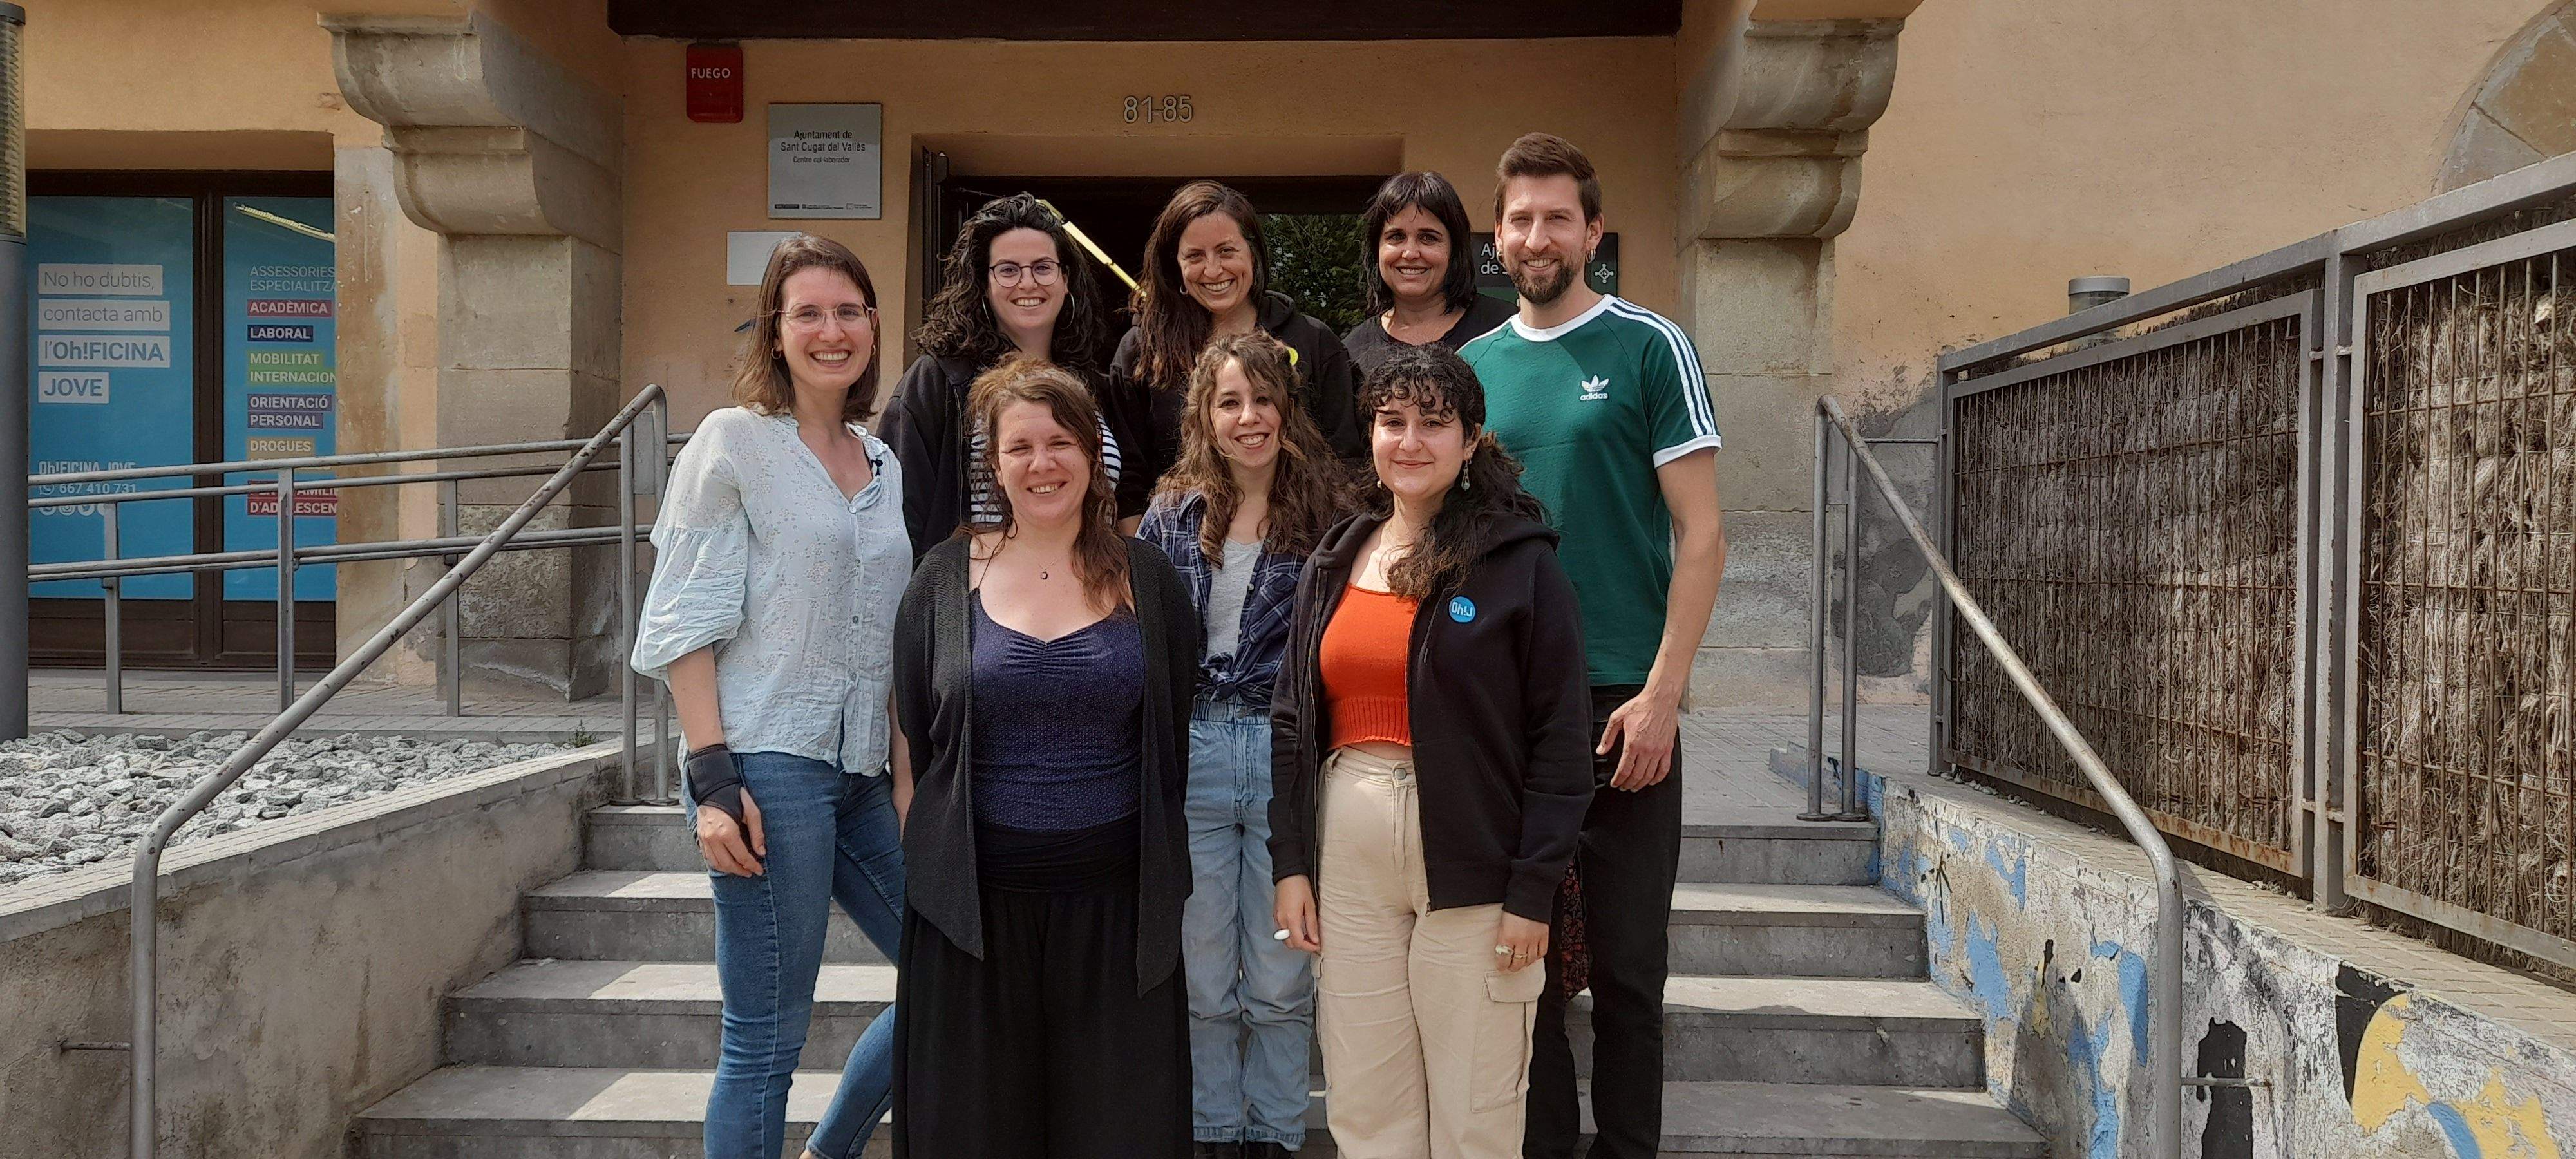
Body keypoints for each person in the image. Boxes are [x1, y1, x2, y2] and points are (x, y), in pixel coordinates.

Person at [1457, 132, 1727, 1159]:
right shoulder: (1472, 369)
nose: (1537, 235)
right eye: (1519, 218)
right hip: (1508, 708)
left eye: (1557, 217)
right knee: (1518, 972)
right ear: (1498, 234)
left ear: (1593, 230)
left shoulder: (1650, 346)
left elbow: (1701, 534)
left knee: (1624, 970)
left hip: (1624, 703)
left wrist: (1664, 696)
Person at [1269, 344, 1595, 1159]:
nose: (1409, 441)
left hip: (1476, 855)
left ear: (1472, 439)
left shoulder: (1521, 563)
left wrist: (1532, 890)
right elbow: (1290, 719)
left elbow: (1560, 740)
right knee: (1366, 1105)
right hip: (1348, 842)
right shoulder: (1336, 557)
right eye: (1391, 422)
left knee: (1476, 1115)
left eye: (1432, 423)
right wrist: (1290, 864)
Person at [630, 234, 907, 1159]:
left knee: (959, 972)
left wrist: (906, 777)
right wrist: (712, 782)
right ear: (777, 332)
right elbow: (683, 619)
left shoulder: (884, 463)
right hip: (763, 766)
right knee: (767, 1037)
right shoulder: (735, 441)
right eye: (809, 314)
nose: (832, 331)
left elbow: (891, 632)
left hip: (862, 771)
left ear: (873, 324)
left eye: (849, 311)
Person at [888, 358, 1200, 1158]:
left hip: (1116, 909)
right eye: (1019, 447)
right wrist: (934, 866)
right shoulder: (942, 580)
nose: (1042, 463)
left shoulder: (1150, 581)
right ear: (993, 465)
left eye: (1061, 442)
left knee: (1115, 1131)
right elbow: (914, 742)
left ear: (1094, 457)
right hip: (976, 912)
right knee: (975, 1130)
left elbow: (1170, 726)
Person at [1138, 332, 1345, 1158]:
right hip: (1190, 751)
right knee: (1201, 977)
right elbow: (1143, 635)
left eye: (1264, 399)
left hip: (1283, 752)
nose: (1249, 417)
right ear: (1205, 413)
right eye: (1230, 401)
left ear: (1288, 408)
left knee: (1281, 981)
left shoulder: (1333, 516)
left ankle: (1276, 1136)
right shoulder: (1171, 512)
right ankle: (1215, 1134)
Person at [878, 193, 1153, 555]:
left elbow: (1129, 502)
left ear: (1065, 279)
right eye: (1008, 270)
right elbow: (899, 517)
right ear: (984, 284)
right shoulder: (938, 383)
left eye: (1043, 267)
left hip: (1089, 594)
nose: (1027, 283)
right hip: (980, 600)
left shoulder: (1096, 387)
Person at [1112, 179, 1363, 474]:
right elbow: (1129, 479)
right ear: (1175, 266)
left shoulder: (1314, 341)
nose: (1214, 270)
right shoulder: (1140, 353)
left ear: (1252, 254)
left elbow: (1346, 460)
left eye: (1226, 251)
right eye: (1195, 256)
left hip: (1304, 519)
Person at [1342, 171, 1517, 378]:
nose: (1410, 253)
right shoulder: (1352, 355)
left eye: (1428, 238)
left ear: (1455, 250)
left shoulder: (1506, 330)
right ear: (1376, 249)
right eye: (1396, 237)